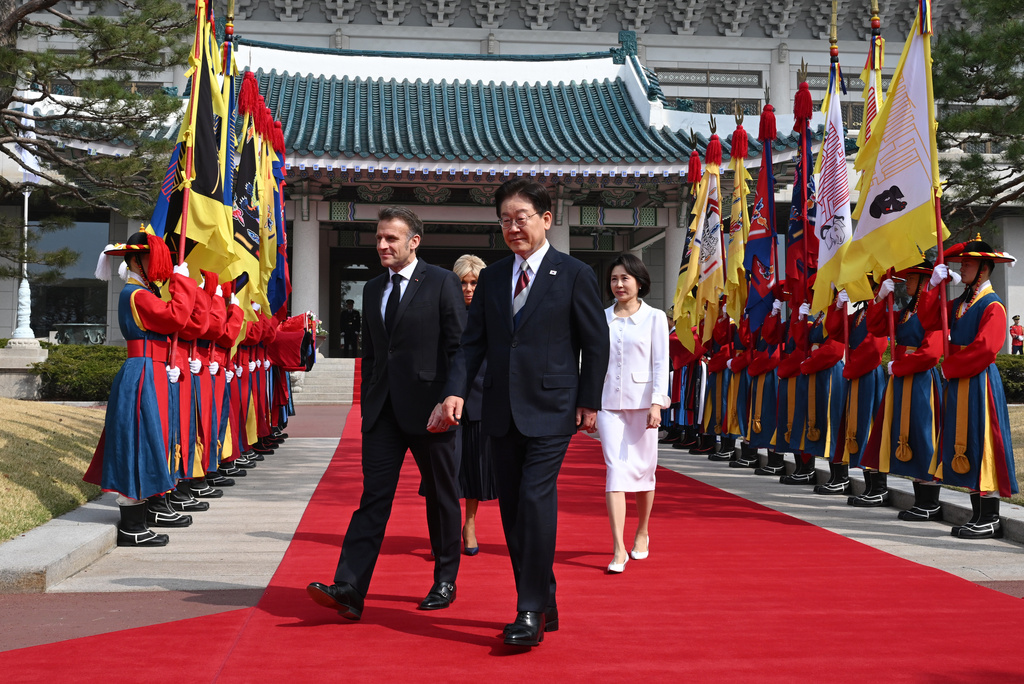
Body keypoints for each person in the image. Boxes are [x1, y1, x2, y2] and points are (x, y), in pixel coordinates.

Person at [434, 178, 609, 648]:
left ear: (546, 219)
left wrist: (588, 401)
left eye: (521, 218)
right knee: (511, 512)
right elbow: (472, 345)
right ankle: (544, 597)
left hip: (553, 408)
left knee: (534, 499)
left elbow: (595, 344)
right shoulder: (491, 277)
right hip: (498, 410)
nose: (513, 227)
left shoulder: (573, 273)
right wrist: (455, 392)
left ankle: (528, 609)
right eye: (505, 220)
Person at [307, 206, 467, 619]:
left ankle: (445, 579)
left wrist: (451, 397)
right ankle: (350, 587)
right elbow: (374, 355)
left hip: (432, 411)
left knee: (442, 496)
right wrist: (367, 406)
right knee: (373, 498)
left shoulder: (443, 282)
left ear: (414, 241)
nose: (382, 245)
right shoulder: (373, 287)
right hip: (383, 414)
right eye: (378, 238)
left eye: (391, 238)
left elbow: (459, 347)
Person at [84, 229, 197, 546]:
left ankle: (144, 513)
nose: (158, 264)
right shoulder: (138, 295)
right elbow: (177, 317)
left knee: (152, 440)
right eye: (152, 258)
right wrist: (183, 283)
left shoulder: (143, 293)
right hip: (144, 372)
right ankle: (132, 525)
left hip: (153, 371)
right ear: (136, 260)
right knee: (139, 442)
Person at [923, 237, 1018, 539]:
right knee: (966, 444)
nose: (961, 266)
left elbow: (986, 349)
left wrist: (949, 368)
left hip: (978, 381)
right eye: (962, 262)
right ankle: (977, 514)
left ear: (984, 268)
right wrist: (933, 286)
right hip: (961, 380)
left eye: (968, 262)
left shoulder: (993, 305)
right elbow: (928, 319)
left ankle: (989, 516)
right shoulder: (963, 302)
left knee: (982, 443)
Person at [597, 254, 669, 574]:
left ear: (639, 281)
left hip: (643, 406)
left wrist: (657, 403)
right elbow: (593, 364)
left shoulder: (654, 318)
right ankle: (618, 547)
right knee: (615, 471)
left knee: (643, 472)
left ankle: (642, 531)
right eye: (614, 279)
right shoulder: (601, 318)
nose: (619, 284)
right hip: (608, 405)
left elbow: (660, 364)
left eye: (625, 278)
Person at [852, 263, 943, 513]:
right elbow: (877, 327)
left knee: (923, 436)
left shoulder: (932, 310)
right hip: (902, 377)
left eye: (912, 278)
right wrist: (880, 298)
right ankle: (919, 497)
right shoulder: (907, 310)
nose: (908, 282)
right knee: (904, 433)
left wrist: (901, 367)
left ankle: (929, 501)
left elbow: (931, 354)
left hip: (920, 379)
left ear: (925, 281)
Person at [452, 254, 497, 557]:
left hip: (482, 400)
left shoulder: (494, 314)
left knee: (474, 470)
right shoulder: (445, 313)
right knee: (445, 470)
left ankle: (469, 524)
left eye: (474, 283)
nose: (468, 289)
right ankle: (444, 528)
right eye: (463, 283)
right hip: (446, 402)